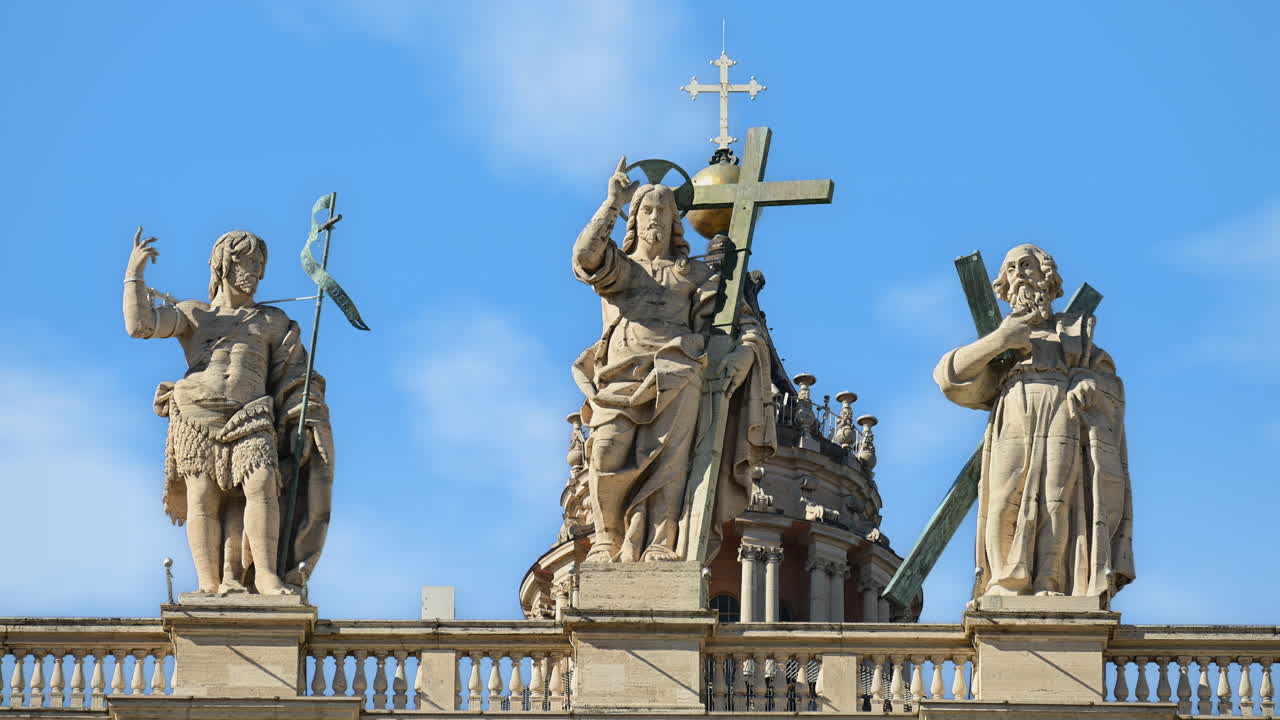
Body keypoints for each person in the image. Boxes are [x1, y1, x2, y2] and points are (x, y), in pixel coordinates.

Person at [571, 157, 775, 563]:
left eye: (663, 211)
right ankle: (607, 540)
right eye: (647, 209)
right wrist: (612, 203)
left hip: (679, 371)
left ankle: (661, 541)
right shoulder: (621, 269)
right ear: (634, 219)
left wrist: (742, 356)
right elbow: (585, 257)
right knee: (606, 451)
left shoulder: (693, 274)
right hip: (618, 375)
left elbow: (745, 325)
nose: (655, 218)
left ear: (675, 222)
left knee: (670, 464)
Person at [123, 228, 332, 595]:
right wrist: (134, 275)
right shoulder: (194, 314)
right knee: (202, 496)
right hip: (196, 412)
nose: (257, 271)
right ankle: (208, 583)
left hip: (251, 414)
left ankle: (266, 576)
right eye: (248, 261)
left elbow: (296, 375)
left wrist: (304, 414)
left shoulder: (273, 321)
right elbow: (140, 325)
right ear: (224, 264)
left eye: (260, 263)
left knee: (262, 484)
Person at [933, 244, 1134, 599]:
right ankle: (1004, 581)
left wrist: (1087, 381)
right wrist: (1000, 340)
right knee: (1004, 495)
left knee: (1058, 496)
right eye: (1011, 269)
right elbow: (949, 377)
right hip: (1014, 410)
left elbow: (1110, 384)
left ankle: (1049, 582)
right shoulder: (1002, 336)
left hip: (1063, 411)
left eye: (1027, 265)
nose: (1019, 275)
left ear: (1047, 277)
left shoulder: (1074, 332)